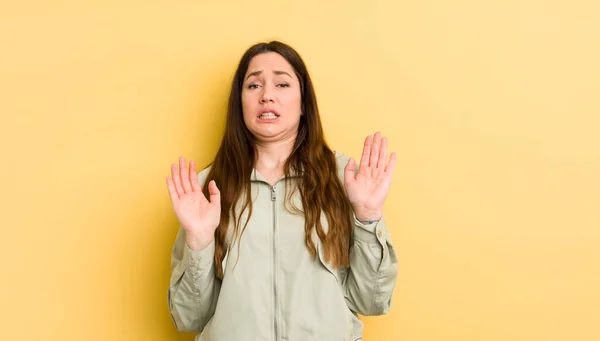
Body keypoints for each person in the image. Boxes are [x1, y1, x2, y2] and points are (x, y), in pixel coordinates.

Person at [166, 40, 398, 341]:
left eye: (282, 84)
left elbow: (373, 301)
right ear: (240, 103)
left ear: (304, 103)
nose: (267, 96)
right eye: (253, 86)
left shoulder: (345, 179)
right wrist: (198, 241)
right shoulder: (208, 189)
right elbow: (189, 318)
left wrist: (367, 217)